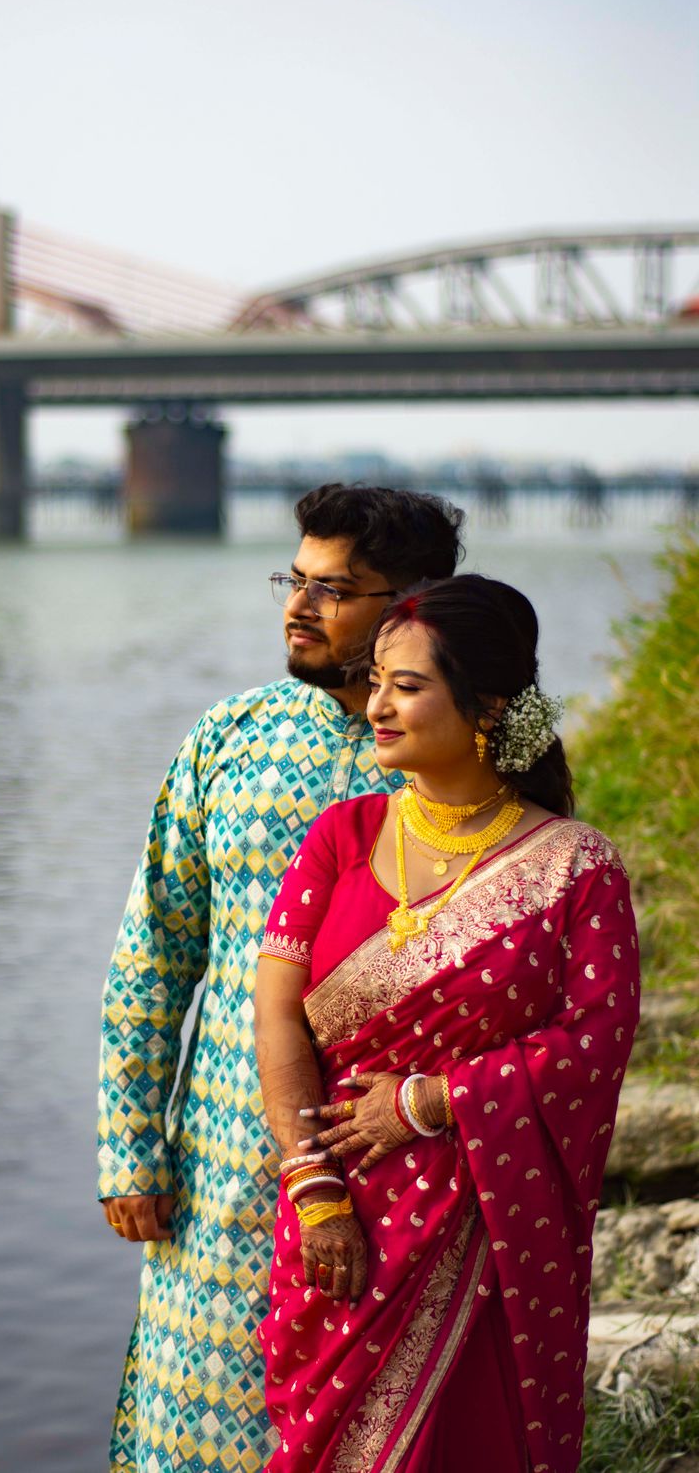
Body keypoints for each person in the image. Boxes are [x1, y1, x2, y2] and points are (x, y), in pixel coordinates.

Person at [98, 485, 466, 1473]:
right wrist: (130, 1148)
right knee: (193, 1431)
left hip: (397, 1164)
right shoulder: (231, 736)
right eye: (292, 582)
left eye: (333, 590)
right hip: (221, 1167)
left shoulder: (470, 757)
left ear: (412, 604)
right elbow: (155, 949)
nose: (298, 609)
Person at [255, 575, 639, 1473]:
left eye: (407, 686)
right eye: (375, 681)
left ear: (487, 706)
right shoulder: (340, 838)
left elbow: (595, 1042)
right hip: (335, 1214)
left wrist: (433, 1100)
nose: (377, 707)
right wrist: (313, 1190)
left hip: (491, 1227)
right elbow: (277, 1019)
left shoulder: (575, 868)